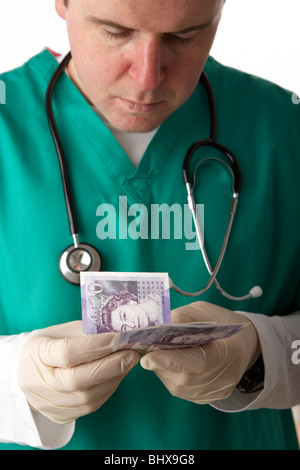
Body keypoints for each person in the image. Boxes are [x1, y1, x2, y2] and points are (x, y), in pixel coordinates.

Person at [0, 0, 299, 450]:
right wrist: (13, 378)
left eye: (185, 37)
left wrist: (264, 354)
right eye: (115, 32)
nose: (147, 78)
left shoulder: (284, 126)